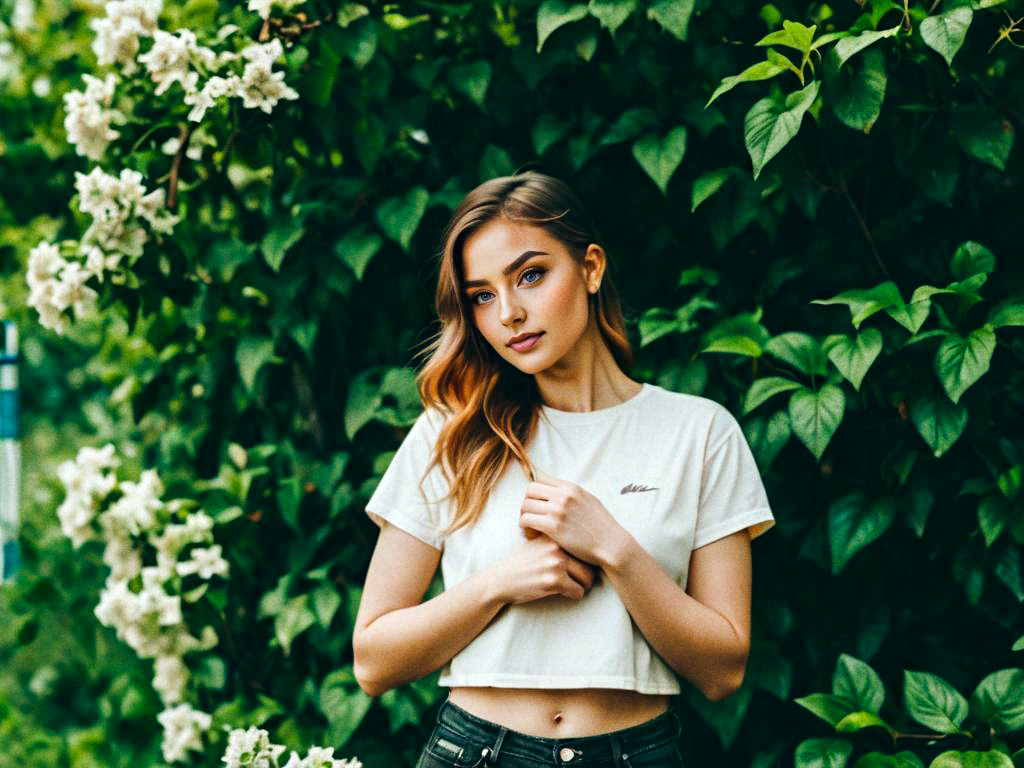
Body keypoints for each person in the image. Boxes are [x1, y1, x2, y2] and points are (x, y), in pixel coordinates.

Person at [352, 171, 775, 768]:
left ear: (591, 268)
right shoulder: (453, 434)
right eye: (483, 295)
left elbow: (723, 669)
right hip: (474, 751)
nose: (510, 313)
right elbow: (373, 661)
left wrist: (615, 549)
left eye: (530, 275)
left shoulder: (700, 432)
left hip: (638, 753)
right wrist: (500, 583)